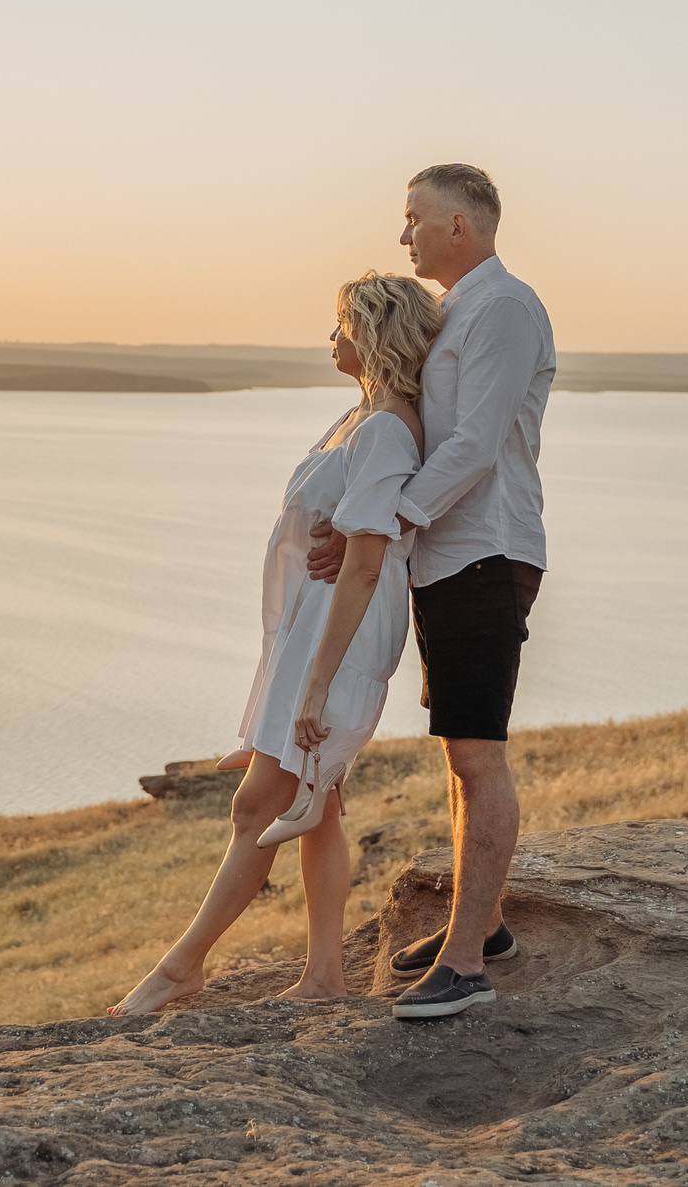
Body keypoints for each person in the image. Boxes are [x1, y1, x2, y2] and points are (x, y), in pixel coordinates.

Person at [107, 271, 443, 1015]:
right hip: (312, 629)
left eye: (342, 324)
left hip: (339, 637)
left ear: (375, 332)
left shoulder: (387, 427)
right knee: (318, 806)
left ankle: (180, 967)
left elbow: (362, 563)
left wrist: (316, 687)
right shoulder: (358, 417)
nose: (331, 338)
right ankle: (326, 974)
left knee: (255, 809)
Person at [306, 162, 554, 1020]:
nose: (403, 234)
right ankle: (477, 926)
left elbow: (475, 446)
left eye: (414, 218)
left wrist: (383, 525)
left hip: (486, 552)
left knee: (479, 753)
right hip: (447, 557)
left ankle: (466, 968)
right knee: (458, 749)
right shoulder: (456, 313)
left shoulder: (505, 308)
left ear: (461, 224)